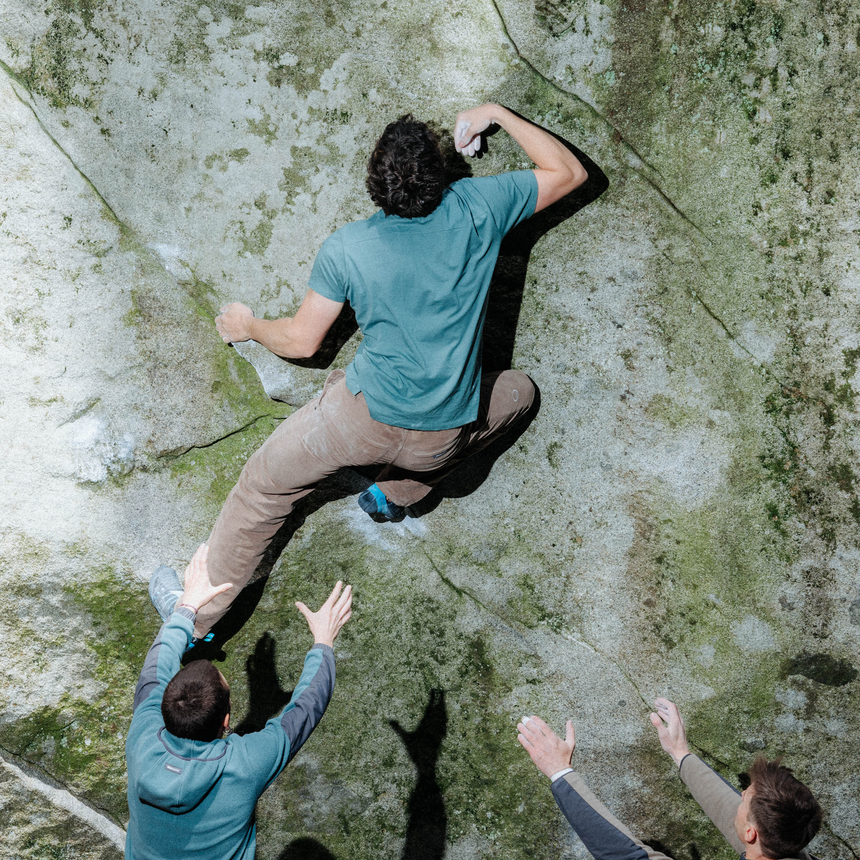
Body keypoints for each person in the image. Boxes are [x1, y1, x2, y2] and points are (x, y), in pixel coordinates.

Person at [162, 103, 587, 641]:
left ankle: (193, 620)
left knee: (262, 491)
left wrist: (247, 325)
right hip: (440, 439)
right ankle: (400, 491)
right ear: (440, 175)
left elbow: (301, 341)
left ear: (375, 186)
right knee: (519, 392)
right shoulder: (478, 206)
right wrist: (495, 113)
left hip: (356, 423)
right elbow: (567, 171)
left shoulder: (349, 247)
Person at [126, 544, 352, 860]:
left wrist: (187, 605)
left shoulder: (142, 733)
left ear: (163, 704)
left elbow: (158, 661)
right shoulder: (246, 765)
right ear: (226, 722)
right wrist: (324, 641)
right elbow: (305, 710)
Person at [516, 699, 823, 860]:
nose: (739, 793)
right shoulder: (785, 845)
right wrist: (680, 753)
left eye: (744, 798)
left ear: (751, 834)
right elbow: (734, 813)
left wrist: (560, 771)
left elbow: (629, 856)